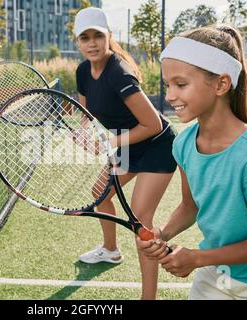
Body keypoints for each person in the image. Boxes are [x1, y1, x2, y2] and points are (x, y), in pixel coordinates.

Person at [137, 25, 247, 300]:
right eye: (168, 85)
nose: (170, 95)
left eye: (181, 84)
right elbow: (191, 205)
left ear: (222, 84)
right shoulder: (183, 144)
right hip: (215, 272)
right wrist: (163, 232)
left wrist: (197, 258)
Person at [73, 7, 178, 299]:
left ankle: (149, 297)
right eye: (85, 37)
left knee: (141, 217)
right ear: (77, 42)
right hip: (128, 145)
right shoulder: (83, 71)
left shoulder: (119, 73)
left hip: (157, 144)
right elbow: (86, 114)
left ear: (108, 37)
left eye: (98, 36)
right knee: (100, 193)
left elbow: (152, 124)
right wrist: (84, 132)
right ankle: (110, 250)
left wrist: (110, 141)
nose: (92, 43)